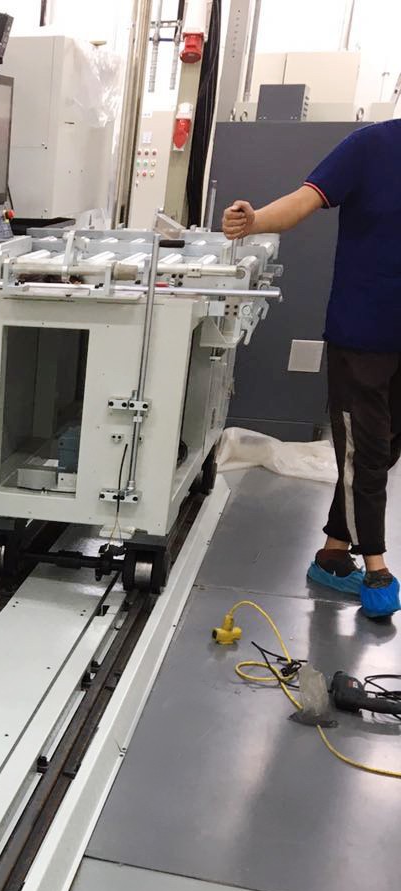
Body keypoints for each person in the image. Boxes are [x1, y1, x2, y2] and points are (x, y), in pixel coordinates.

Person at [223, 120, 401, 619]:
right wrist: (254, 220)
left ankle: (332, 555)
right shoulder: (372, 146)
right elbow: (304, 201)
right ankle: (377, 565)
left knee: (387, 448)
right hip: (363, 335)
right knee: (364, 451)